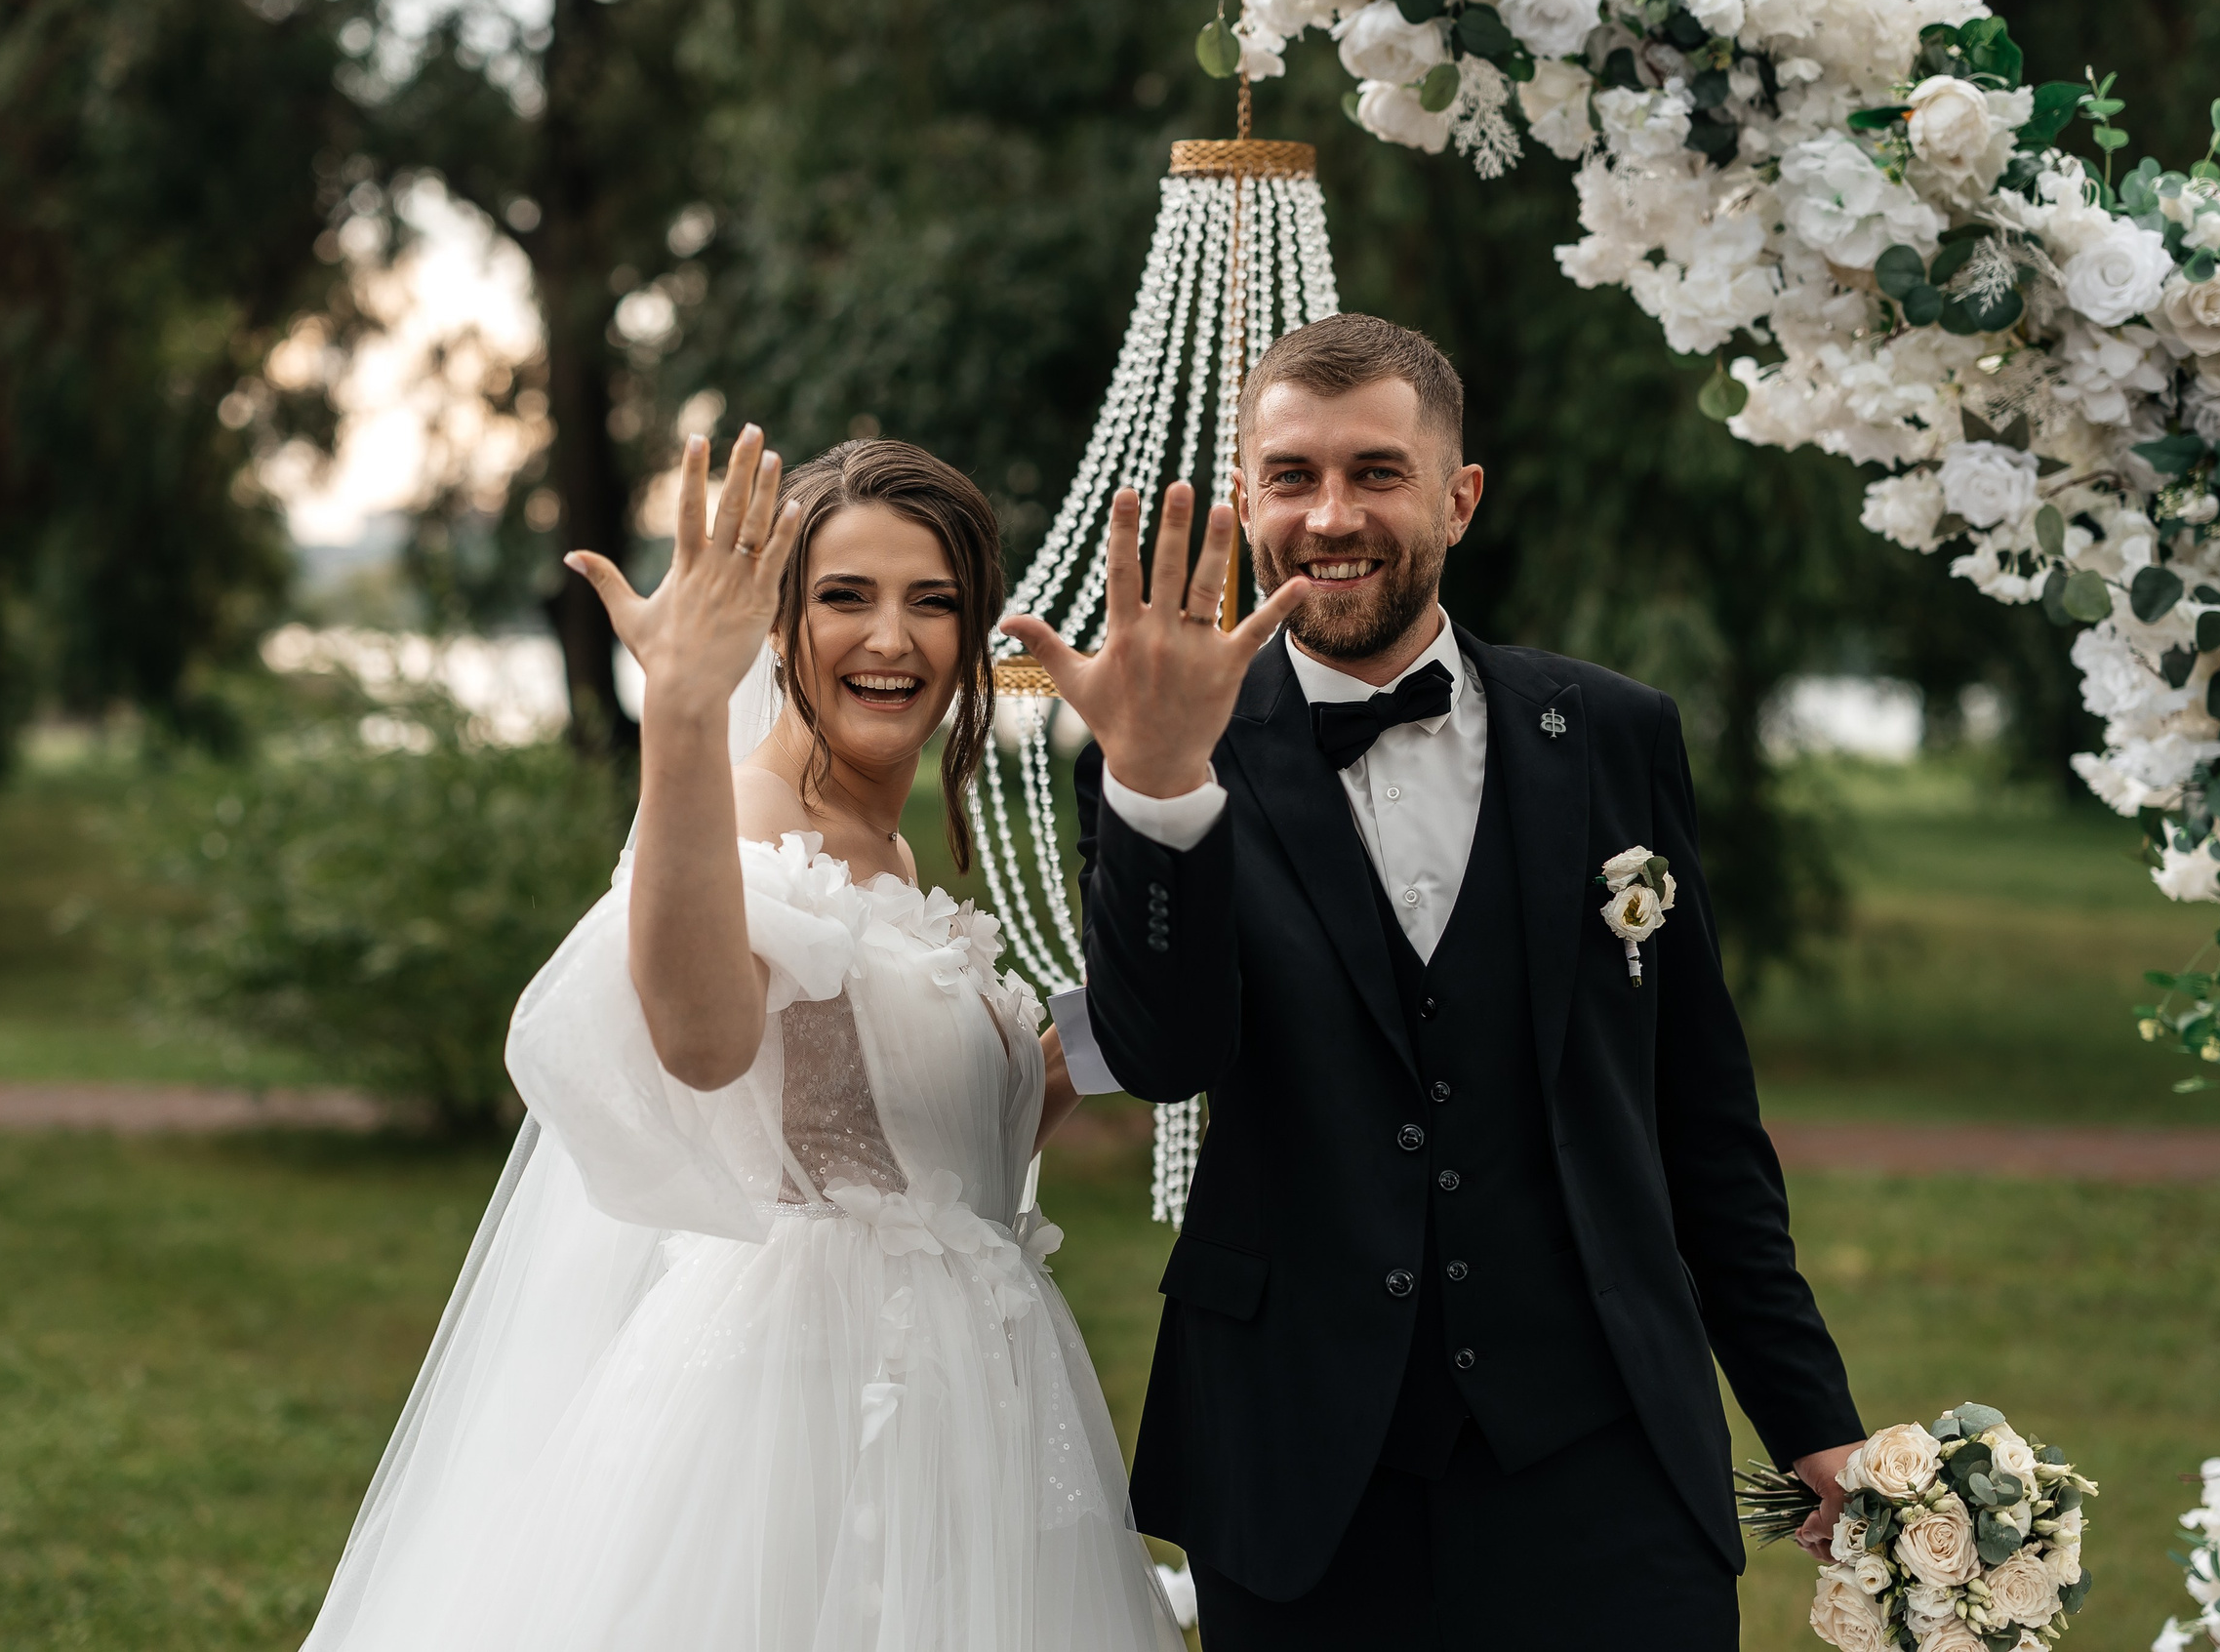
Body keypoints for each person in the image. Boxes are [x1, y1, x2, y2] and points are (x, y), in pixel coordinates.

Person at [1002, 313, 1863, 1647]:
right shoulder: (1164, 745)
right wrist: (1158, 786)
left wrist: (1812, 1417)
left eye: (1376, 471)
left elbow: (1700, 1116)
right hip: (1300, 1465)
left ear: (1457, 497)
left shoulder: (1613, 733)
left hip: (1604, 1457)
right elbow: (1160, 1052)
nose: (1330, 515)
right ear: (1246, 499)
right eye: (1291, 475)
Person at [300, 431, 1185, 1652]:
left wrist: (1159, 977)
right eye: (845, 597)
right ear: (775, 626)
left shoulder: (888, 846)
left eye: (934, 601)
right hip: (805, 1408)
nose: (893, 638)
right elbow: (704, 1038)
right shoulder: (752, 817)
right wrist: (678, 707)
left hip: (968, 1390)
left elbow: (927, 1142)